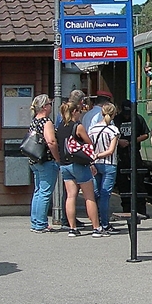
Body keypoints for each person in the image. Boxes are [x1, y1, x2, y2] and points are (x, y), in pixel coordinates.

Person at [58, 100, 102, 237]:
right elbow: (89, 144)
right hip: (79, 164)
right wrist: (91, 162)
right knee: (89, 197)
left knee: (70, 196)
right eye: (79, 111)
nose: (80, 113)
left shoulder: (60, 126)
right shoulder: (78, 127)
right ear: (74, 112)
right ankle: (96, 228)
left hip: (65, 165)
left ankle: (72, 228)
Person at [27, 94, 61, 233]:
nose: (51, 106)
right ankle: (41, 224)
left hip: (34, 159)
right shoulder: (46, 122)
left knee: (38, 191)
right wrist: (58, 158)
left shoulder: (34, 121)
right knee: (45, 192)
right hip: (46, 160)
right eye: (50, 104)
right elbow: (51, 142)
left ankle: (35, 222)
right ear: (45, 107)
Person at [114, 100, 150, 221]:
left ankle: (141, 210)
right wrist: (119, 142)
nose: (127, 116)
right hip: (121, 154)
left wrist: (134, 140)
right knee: (123, 183)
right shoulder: (117, 119)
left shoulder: (138, 119)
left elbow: (146, 134)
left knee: (138, 182)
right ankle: (126, 209)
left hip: (134, 153)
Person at [89, 101, 121, 234]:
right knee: (105, 195)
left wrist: (93, 159)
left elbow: (89, 148)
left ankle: (96, 223)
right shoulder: (113, 130)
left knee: (95, 194)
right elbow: (111, 150)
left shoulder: (93, 129)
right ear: (113, 114)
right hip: (109, 165)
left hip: (95, 165)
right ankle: (105, 224)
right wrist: (99, 155)